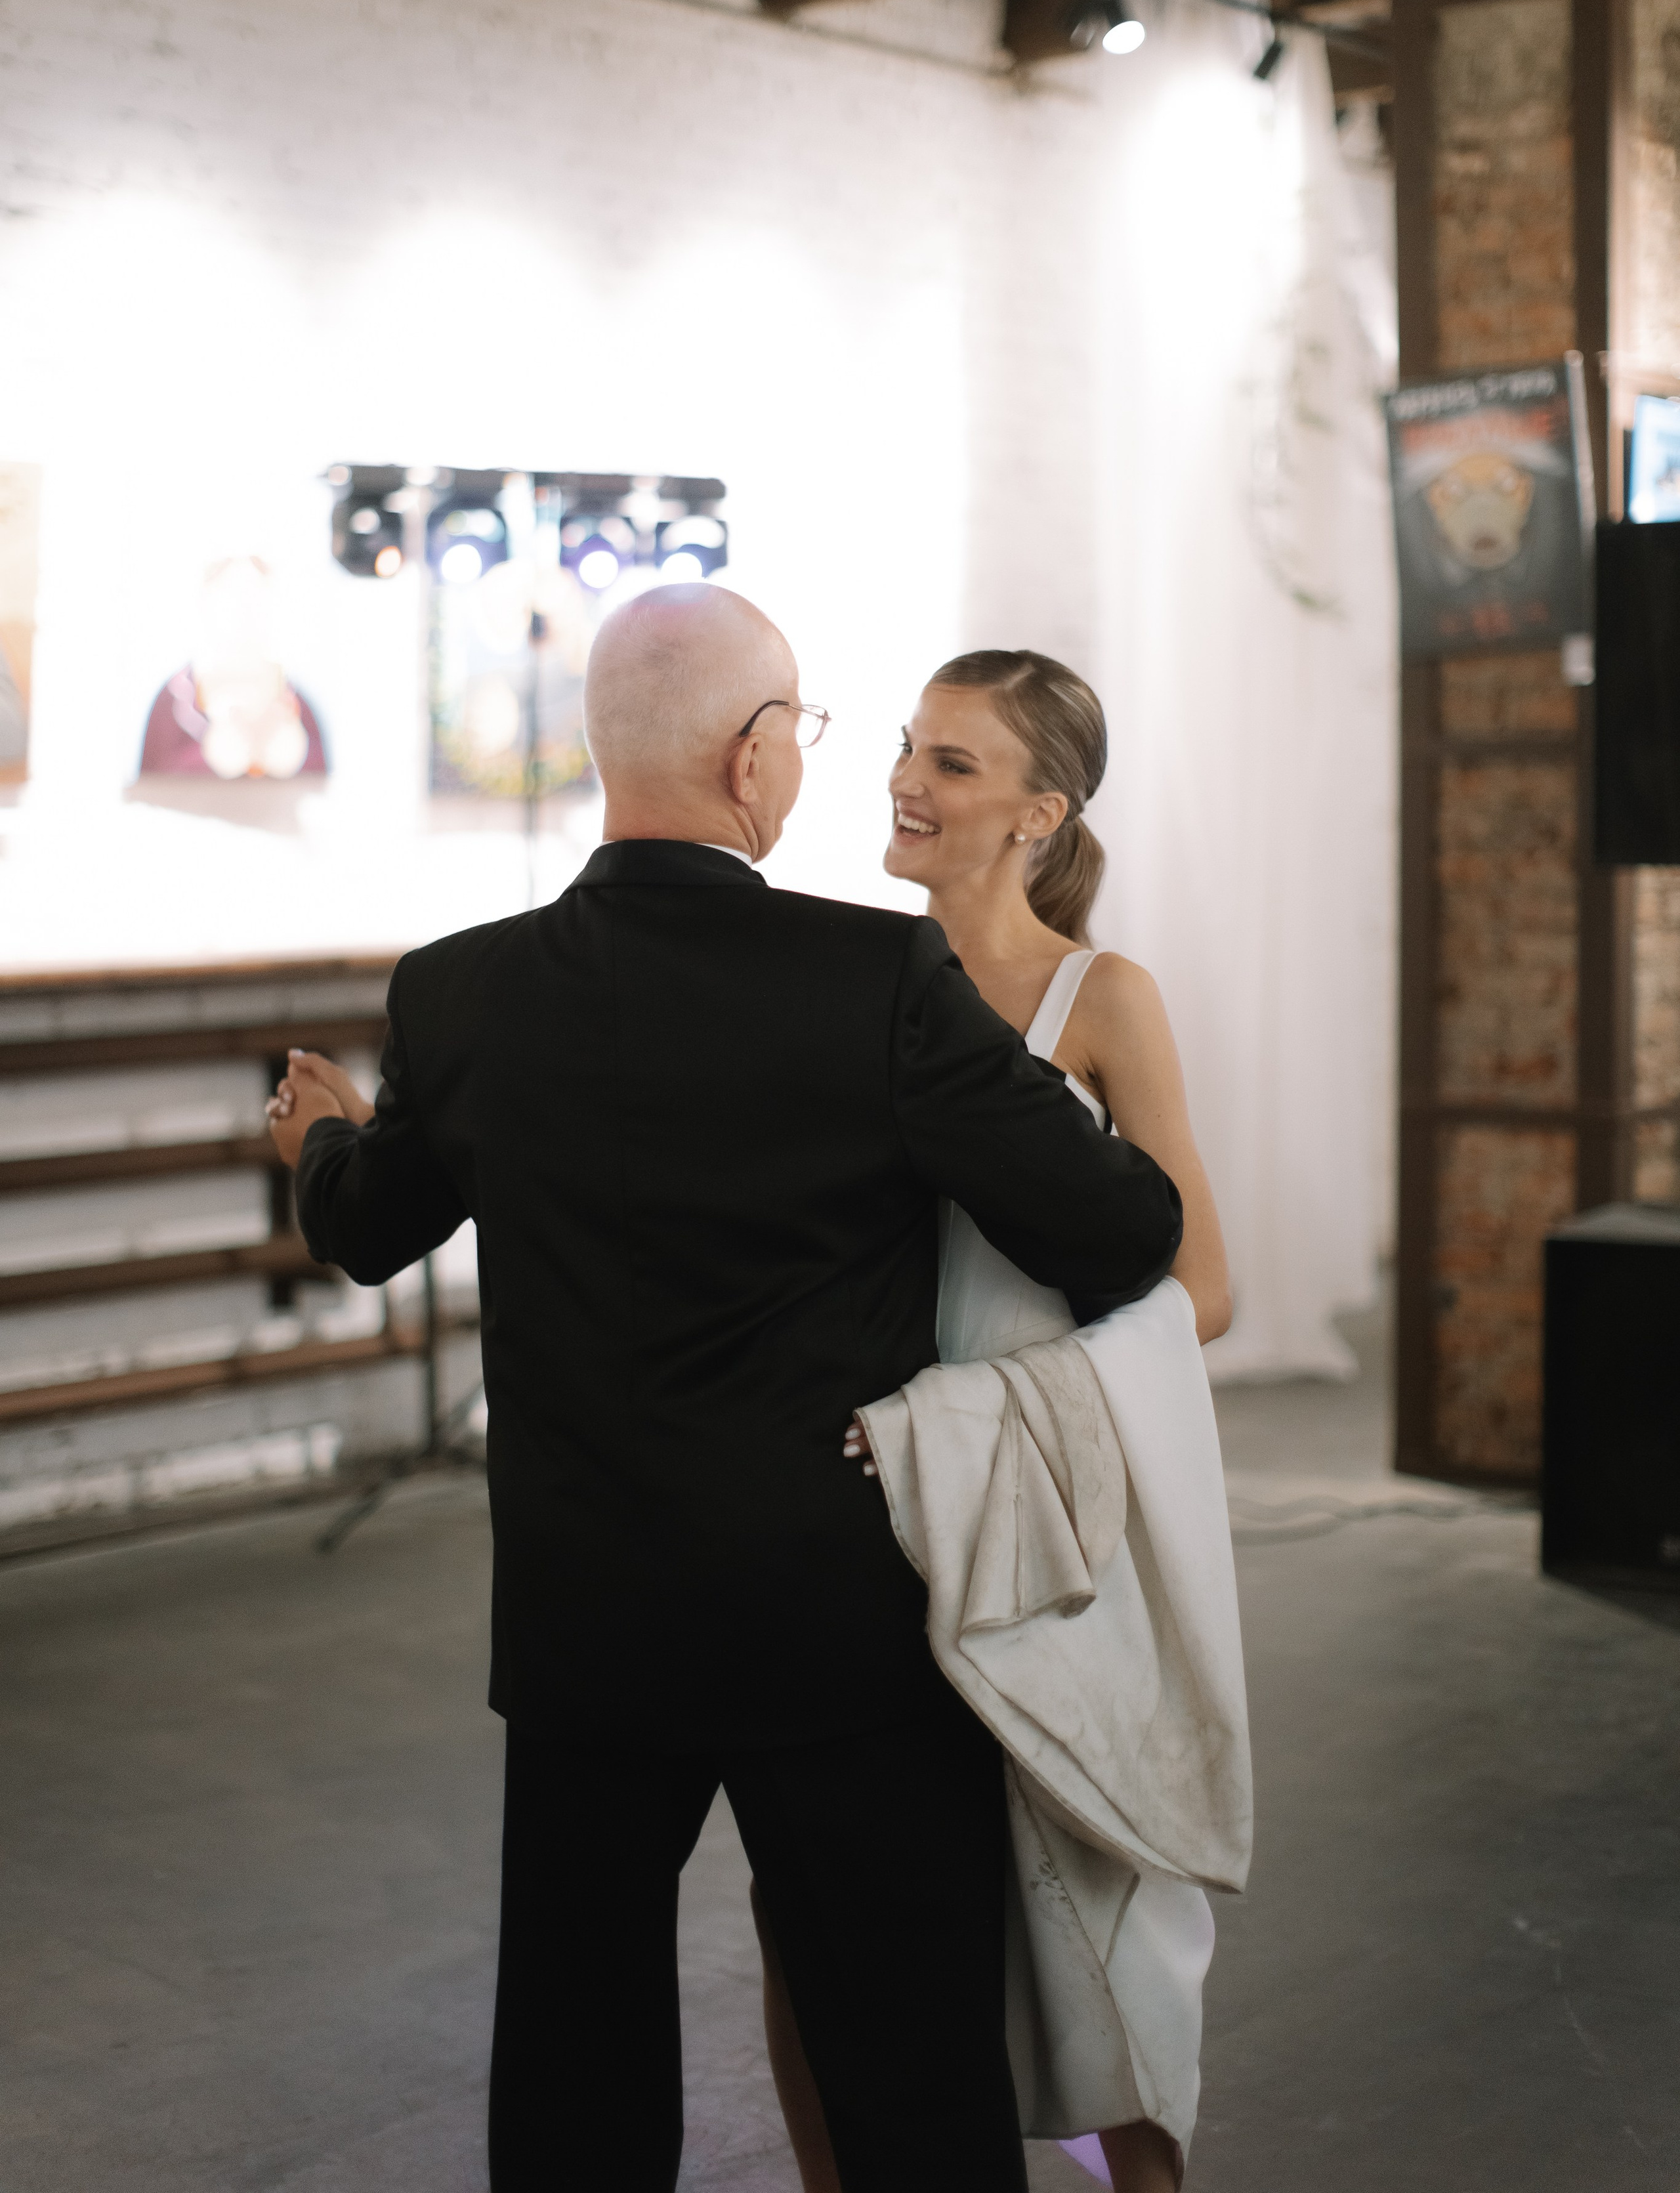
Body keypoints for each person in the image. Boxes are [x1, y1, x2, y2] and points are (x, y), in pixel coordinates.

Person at [262, 584, 1184, 2193]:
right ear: (757, 757)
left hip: (582, 1610)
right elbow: (1125, 1234)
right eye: (811, 733)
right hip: (831, 1600)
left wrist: (324, 1140)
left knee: (573, 2054)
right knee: (906, 2057)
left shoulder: (466, 990)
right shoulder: (876, 981)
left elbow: (366, 1227)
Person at [757, 646, 1233, 2193]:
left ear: (1040, 813)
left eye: (951, 764)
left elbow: (1201, 1288)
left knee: (1093, 1882)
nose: (903, 780)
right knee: (828, 1905)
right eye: (905, 747)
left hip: (1045, 1491)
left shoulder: (1104, 1000)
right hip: (868, 1499)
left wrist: (989, 1415)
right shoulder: (839, 985)